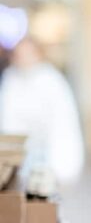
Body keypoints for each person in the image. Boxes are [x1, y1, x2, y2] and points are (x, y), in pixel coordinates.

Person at [0, 37, 84, 188]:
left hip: (48, 154)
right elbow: (8, 119)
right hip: (21, 155)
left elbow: (62, 123)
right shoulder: (11, 80)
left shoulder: (51, 81)